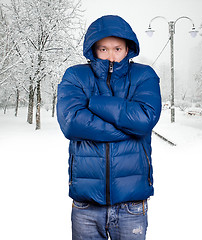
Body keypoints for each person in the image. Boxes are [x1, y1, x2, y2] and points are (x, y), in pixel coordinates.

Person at [57, 15, 162, 240]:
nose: (111, 56)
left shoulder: (144, 75)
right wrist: (128, 127)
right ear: (93, 49)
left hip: (131, 203)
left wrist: (94, 103)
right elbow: (71, 122)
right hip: (87, 204)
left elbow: (144, 119)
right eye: (103, 49)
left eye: (117, 48)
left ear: (128, 49)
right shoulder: (75, 75)